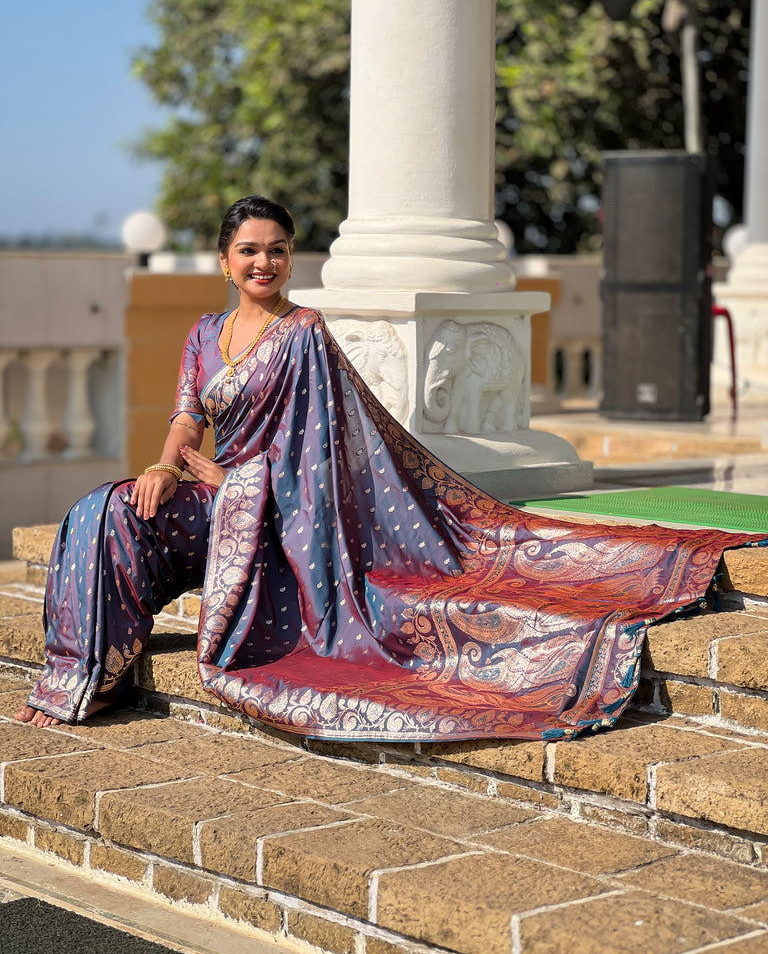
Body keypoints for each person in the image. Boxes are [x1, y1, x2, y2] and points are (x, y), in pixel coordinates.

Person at [15, 196, 767, 739]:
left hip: (271, 514)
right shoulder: (206, 331)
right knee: (105, 508)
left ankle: (86, 680)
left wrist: (234, 483)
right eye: (249, 250)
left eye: (276, 249)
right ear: (224, 261)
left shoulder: (304, 333)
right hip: (217, 496)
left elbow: (321, 459)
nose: (264, 262)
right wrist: (165, 464)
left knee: (121, 509)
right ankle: (84, 673)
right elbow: (188, 414)